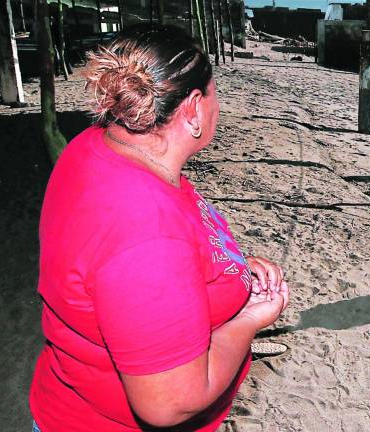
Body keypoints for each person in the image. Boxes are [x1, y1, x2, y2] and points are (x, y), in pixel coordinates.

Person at [29, 24, 290, 431]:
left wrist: (227, 267)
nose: (219, 106)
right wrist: (250, 320)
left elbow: (116, 265)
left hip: (64, 397)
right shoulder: (147, 236)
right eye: (215, 93)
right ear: (192, 109)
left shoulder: (100, 145)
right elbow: (170, 403)